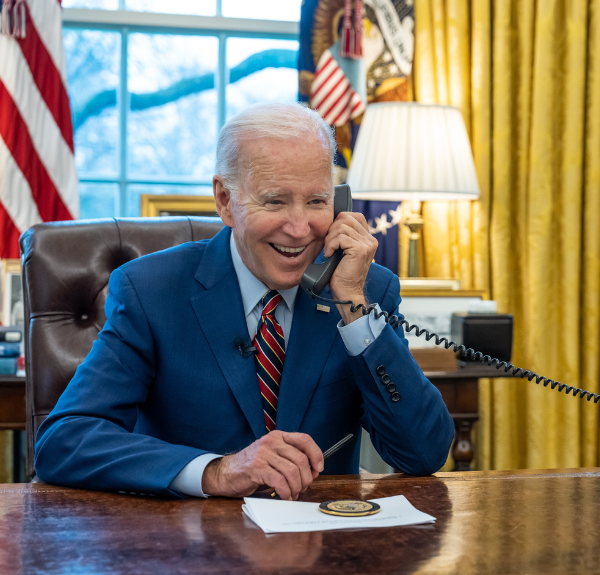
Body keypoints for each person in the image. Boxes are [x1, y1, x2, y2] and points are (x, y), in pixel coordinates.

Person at [34, 103, 454, 500]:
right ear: (224, 201)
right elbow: (65, 441)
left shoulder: (365, 291)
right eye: (275, 200)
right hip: (189, 544)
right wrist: (216, 471)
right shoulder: (151, 291)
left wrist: (354, 312)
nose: (299, 227)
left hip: (324, 546)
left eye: (317, 201)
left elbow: (424, 453)